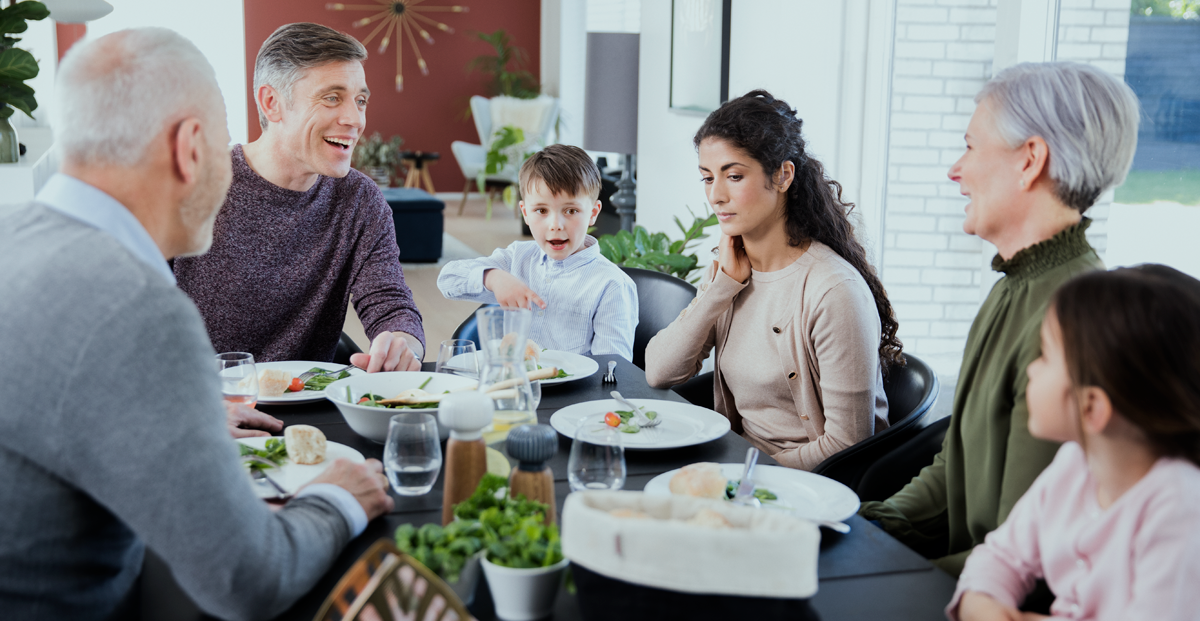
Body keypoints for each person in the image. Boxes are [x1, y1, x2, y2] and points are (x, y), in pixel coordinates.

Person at [0, 28, 393, 621]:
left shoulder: (14, 241)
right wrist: (342, 495)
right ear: (190, 147)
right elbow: (248, 580)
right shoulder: (139, 311)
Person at [859, 62, 1141, 576]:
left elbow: (1030, 557)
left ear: (1030, 160)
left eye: (970, 146)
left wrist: (879, 571)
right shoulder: (1013, 286)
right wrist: (865, 529)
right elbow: (956, 468)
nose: (955, 170)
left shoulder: (1075, 321)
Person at [644, 90, 901, 471]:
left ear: (782, 175)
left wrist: (741, 476)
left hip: (799, 485)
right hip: (739, 466)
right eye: (707, 178)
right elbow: (660, 371)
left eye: (734, 176)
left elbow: (847, 443)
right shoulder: (729, 269)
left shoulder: (833, 290)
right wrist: (721, 288)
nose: (716, 196)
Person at [948, 265, 1200, 621]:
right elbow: (1002, 555)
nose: (1031, 369)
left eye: (1045, 356)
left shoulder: (1178, 507)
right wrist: (981, 602)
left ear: (1092, 406)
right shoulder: (1076, 463)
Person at [173, 22, 424, 373]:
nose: (355, 118)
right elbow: (131, 323)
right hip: (199, 407)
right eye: (332, 97)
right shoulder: (190, 186)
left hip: (309, 410)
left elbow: (390, 302)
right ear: (272, 103)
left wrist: (401, 341)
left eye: (360, 100)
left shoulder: (360, 200)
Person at [437, 144, 638, 361]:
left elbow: (612, 370)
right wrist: (493, 277)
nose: (555, 225)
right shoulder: (516, 258)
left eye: (571, 211)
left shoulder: (611, 285)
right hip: (514, 387)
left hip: (577, 394)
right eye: (541, 210)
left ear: (593, 213)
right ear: (525, 213)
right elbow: (447, 280)